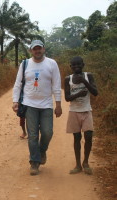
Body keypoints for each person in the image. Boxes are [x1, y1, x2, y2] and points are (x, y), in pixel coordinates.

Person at [12, 40, 62, 176]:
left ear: (44, 49)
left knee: (47, 132)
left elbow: (56, 85)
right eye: (35, 49)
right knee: (32, 135)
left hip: (46, 105)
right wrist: (15, 101)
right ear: (31, 51)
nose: (37, 51)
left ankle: (42, 151)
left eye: (39, 49)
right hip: (30, 105)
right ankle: (34, 162)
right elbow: (18, 83)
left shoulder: (51, 63)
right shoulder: (25, 64)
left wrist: (58, 104)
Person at [64, 56, 98, 175]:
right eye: (74, 65)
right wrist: (78, 94)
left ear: (83, 65)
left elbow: (95, 92)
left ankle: (86, 163)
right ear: (71, 67)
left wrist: (84, 81)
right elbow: (67, 98)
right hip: (74, 112)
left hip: (87, 110)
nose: (76, 67)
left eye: (79, 64)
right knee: (77, 138)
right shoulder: (68, 78)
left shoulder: (88, 76)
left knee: (88, 136)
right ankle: (78, 164)